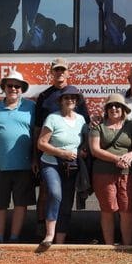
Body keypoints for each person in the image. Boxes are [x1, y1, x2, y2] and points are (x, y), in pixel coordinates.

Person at [33, 57, 92, 226]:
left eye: (63, 70)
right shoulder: (44, 96)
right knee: (46, 192)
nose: (60, 73)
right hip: (48, 155)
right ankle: (41, 226)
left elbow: (84, 127)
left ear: (68, 72)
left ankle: (61, 231)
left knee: (66, 196)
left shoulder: (76, 95)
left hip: (71, 158)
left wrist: (83, 150)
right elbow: (37, 130)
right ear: (51, 72)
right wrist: (34, 157)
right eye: (56, 69)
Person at [0, 68, 35, 244]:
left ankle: (14, 238)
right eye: (10, 85)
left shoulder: (30, 108)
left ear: (22, 90)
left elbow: (36, 135)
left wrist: (34, 159)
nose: (13, 89)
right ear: (4, 87)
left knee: (20, 204)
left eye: (17, 87)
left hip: (24, 166)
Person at [36, 85, 88, 248]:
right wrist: (62, 153)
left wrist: (82, 153)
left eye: (73, 98)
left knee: (66, 203)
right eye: (67, 97)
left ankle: (59, 242)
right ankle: (49, 236)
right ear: (61, 101)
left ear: (77, 101)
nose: (70, 100)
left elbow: (83, 142)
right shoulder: (52, 118)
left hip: (71, 166)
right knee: (55, 194)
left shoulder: (81, 120)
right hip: (51, 163)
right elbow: (41, 144)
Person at [90, 93, 132, 246]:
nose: (114, 108)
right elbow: (95, 150)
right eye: (110, 106)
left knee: (126, 210)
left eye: (118, 106)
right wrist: (116, 159)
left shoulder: (131, 126)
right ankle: (109, 245)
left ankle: (127, 245)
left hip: (126, 174)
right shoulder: (98, 126)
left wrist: (131, 154)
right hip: (103, 173)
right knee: (108, 209)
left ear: (123, 109)